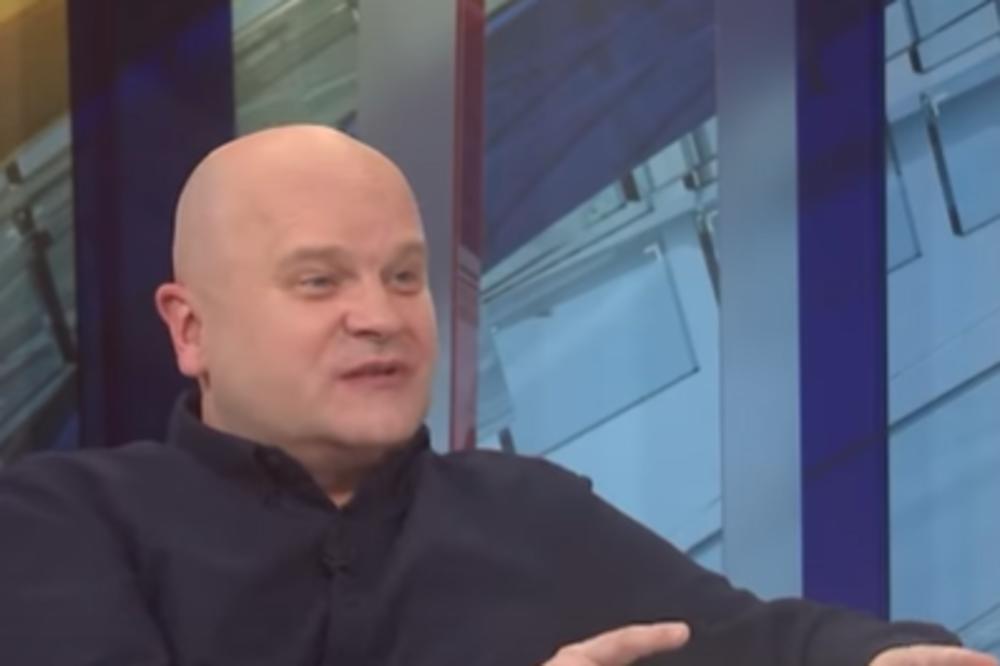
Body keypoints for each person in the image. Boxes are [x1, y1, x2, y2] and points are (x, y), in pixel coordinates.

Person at [0, 125, 994, 666]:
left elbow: (756, 644)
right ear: (190, 328)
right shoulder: (62, 522)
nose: (379, 316)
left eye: (403, 276)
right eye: (319, 281)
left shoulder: (527, 512)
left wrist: (889, 660)